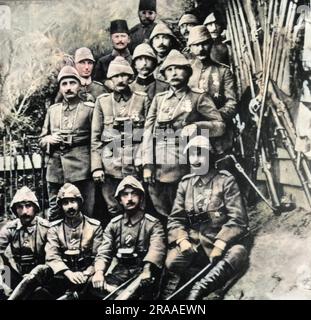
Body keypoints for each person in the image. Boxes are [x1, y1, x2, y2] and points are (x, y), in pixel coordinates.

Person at [163, 136, 250, 300]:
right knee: (172, 262)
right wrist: (182, 240)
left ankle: (200, 289)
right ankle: (192, 279)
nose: (195, 159)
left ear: (209, 156)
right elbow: (175, 219)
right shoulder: (185, 184)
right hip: (195, 244)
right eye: (191, 155)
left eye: (200, 154)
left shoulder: (225, 181)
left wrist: (221, 243)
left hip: (219, 244)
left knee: (239, 253)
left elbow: (238, 219)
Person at [143, 49, 225, 220]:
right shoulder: (159, 99)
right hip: (159, 164)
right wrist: (147, 164)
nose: (174, 73)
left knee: (187, 208)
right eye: (169, 69)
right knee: (163, 210)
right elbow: (148, 131)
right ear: (164, 75)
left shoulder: (198, 97)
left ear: (188, 73)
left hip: (186, 162)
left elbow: (220, 126)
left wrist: (197, 126)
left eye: (179, 68)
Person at [91, 56, 151, 217]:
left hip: (135, 163)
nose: (120, 79)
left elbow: (149, 133)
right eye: (116, 76)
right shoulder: (102, 102)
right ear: (110, 79)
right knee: (114, 208)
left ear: (130, 77)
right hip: (111, 166)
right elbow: (95, 138)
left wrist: (145, 162)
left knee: (139, 206)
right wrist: (97, 167)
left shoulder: (142, 99)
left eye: (124, 75)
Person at [92, 176, 166, 300]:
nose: (130, 199)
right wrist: (99, 271)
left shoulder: (153, 224)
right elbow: (104, 251)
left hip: (143, 271)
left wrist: (147, 269)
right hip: (120, 271)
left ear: (141, 198)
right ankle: (120, 293)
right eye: (125, 195)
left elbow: (156, 249)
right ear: (119, 200)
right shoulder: (114, 224)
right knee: (93, 286)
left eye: (134, 194)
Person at [39, 66, 95, 221]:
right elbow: (41, 139)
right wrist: (47, 139)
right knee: (55, 212)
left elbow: (97, 139)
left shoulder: (89, 109)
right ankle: (55, 244)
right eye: (64, 84)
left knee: (85, 211)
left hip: (81, 169)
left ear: (79, 85)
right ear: (60, 87)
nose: (68, 87)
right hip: (56, 170)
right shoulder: (53, 110)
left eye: (72, 83)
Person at [45, 183, 103, 299]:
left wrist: (87, 273)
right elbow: (52, 256)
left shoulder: (94, 226)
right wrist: (68, 273)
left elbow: (100, 255)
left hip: (87, 276)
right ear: (61, 206)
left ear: (79, 202)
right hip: (62, 276)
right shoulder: (54, 229)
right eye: (65, 203)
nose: (70, 206)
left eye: (73, 201)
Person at [187, 25, 237, 157]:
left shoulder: (223, 71)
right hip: (190, 132)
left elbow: (232, 103)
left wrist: (212, 119)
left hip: (218, 135)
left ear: (211, 44)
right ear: (190, 47)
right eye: (196, 45)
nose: (200, 49)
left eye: (204, 44)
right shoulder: (185, 72)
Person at [0, 187, 51, 300]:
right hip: (16, 274)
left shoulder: (46, 228)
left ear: (35, 208)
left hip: (40, 274)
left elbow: (53, 255)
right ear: (15, 210)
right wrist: (3, 282)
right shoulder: (9, 228)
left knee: (40, 293)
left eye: (28, 206)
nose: (24, 211)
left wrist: (38, 272)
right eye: (20, 207)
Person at [94, 20, 132, 84]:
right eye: (116, 36)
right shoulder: (102, 62)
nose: (120, 40)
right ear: (111, 40)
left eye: (123, 36)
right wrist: (106, 82)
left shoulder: (135, 60)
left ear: (129, 39)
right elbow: (96, 82)